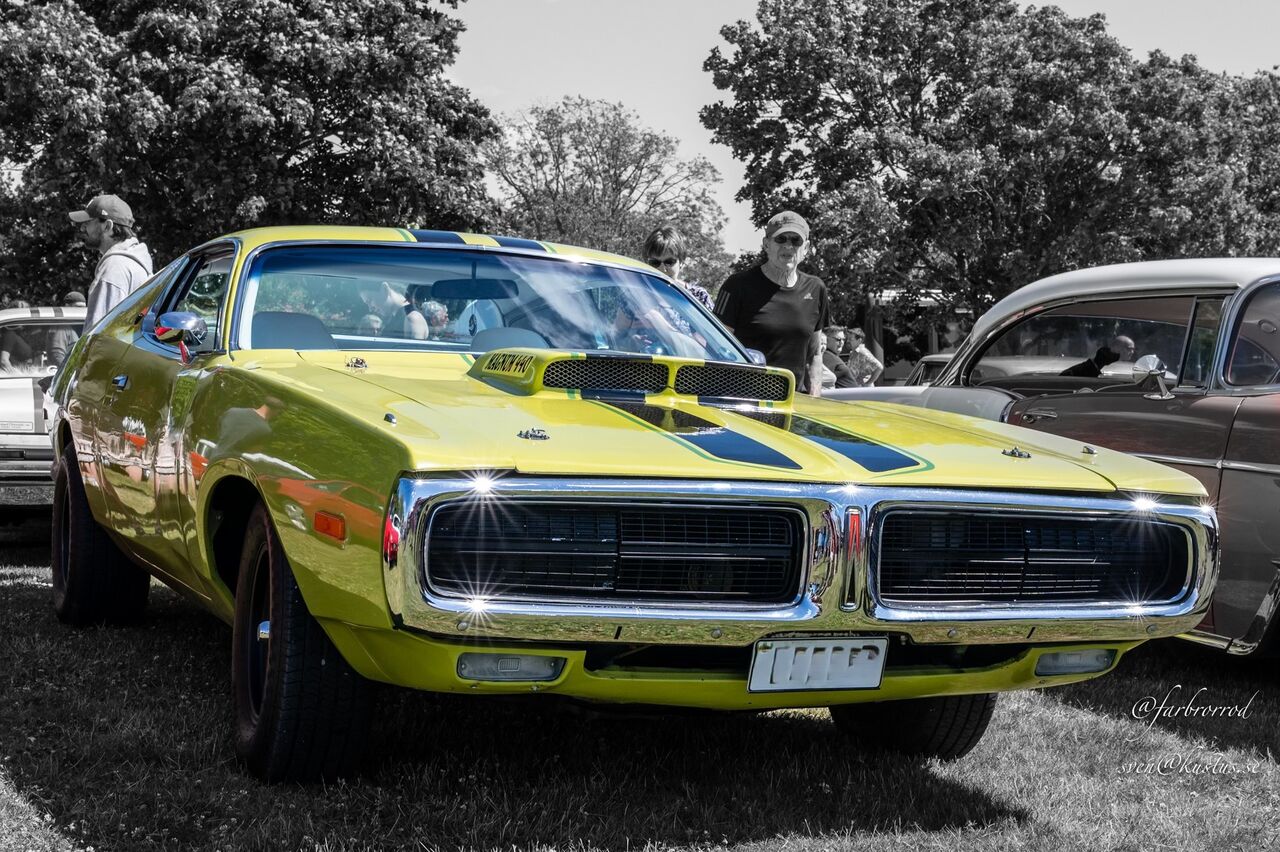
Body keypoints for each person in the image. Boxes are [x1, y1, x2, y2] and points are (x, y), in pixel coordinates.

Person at [714, 211, 830, 395]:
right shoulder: (737, 285)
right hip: (744, 401)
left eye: (796, 240)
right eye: (781, 239)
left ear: (806, 248)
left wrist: (815, 397)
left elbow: (814, 355)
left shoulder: (816, 288)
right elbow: (717, 348)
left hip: (793, 402)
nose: (788, 246)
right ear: (766, 244)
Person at [68, 195, 153, 330]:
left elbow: (97, 334)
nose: (82, 228)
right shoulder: (135, 264)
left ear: (107, 226)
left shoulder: (114, 268)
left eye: (88, 222)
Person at [641, 226, 714, 311]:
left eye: (669, 262)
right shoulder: (636, 292)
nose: (662, 269)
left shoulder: (699, 296)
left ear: (682, 262)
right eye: (654, 262)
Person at [357, 280, 426, 339]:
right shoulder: (395, 320)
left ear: (385, 289)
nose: (370, 309)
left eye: (370, 300)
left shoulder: (411, 318)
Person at [1060, 334, 1136, 377]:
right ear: (1116, 348)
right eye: (1129, 349)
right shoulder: (1090, 366)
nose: (1132, 352)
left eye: (1133, 349)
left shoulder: (1133, 369)